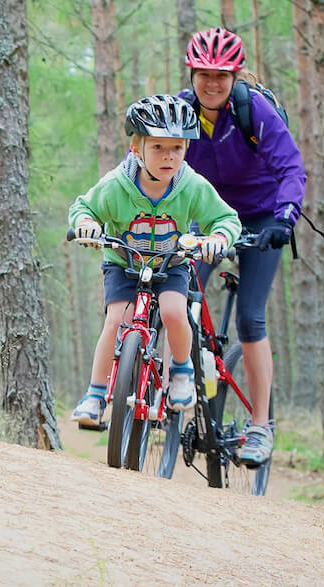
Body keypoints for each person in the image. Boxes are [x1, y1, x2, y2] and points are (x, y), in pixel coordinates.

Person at [68, 94, 242, 427]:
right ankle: (94, 395)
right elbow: (82, 208)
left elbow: (226, 218)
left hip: (171, 263)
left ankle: (180, 371)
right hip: (125, 263)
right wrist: (87, 225)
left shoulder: (190, 185)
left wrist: (217, 240)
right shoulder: (117, 185)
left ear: (186, 150)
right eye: (158, 147)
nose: (168, 156)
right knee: (117, 319)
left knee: (175, 311)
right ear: (137, 149)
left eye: (176, 148)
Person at [177, 26, 307, 467]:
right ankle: (177, 384)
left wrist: (285, 217)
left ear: (235, 76)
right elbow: (140, 158)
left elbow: (291, 167)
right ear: (192, 73)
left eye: (222, 75)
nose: (212, 83)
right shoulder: (178, 112)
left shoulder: (254, 111)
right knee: (176, 291)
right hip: (210, 218)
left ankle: (260, 425)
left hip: (261, 217)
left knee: (251, 316)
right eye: (204, 74)